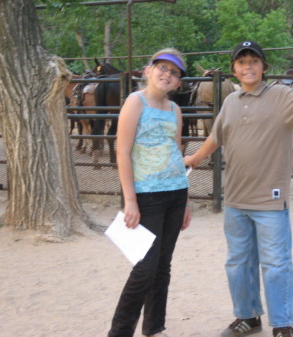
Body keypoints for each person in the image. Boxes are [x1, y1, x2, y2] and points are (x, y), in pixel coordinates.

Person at [184, 37, 293, 337]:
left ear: (263, 67)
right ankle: (247, 316)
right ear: (234, 69)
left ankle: (282, 324)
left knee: (275, 264)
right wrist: (194, 158)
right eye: (242, 62)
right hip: (235, 199)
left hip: (270, 200)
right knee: (238, 263)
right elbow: (216, 136)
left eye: (254, 62)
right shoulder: (231, 101)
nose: (248, 67)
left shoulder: (282, 96)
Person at [108, 48, 191, 337]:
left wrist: (187, 201)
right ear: (148, 71)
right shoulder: (135, 102)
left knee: (162, 266)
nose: (167, 74)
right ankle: (119, 332)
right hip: (147, 197)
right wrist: (130, 200)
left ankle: (154, 328)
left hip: (175, 193)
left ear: (178, 82)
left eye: (174, 71)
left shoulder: (175, 110)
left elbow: (176, 152)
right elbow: (122, 151)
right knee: (145, 268)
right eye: (162, 68)